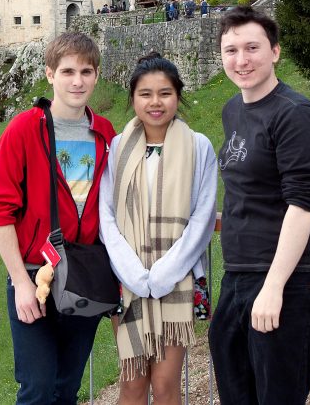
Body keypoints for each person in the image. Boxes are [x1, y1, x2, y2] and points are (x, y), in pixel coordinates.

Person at [209, 7, 310, 405]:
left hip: (290, 282)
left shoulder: (295, 115)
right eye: (231, 50)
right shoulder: (233, 110)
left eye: (252, 48)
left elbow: (303, 204)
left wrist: (274, 286)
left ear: (275, 52)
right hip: (239, 277)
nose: (241, 60)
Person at [0, 32, 117, 405]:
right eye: (68, 71)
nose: (77, 81)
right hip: (32, 277)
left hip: (83, 275)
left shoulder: (105, 133)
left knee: (67, 388)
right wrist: (20, 283)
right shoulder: (26, 129)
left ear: (96, 75)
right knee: (37, 389)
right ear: (49, 74)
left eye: (86, 71)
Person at [99, 53, 217, 405]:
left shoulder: (198, 147)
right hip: (127, 280)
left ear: (178, 96)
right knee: (133, 383)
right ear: (133, 98)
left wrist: (165, 271)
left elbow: (203, 217)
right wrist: (133, 272)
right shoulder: (118, 148)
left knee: (165, 384)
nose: (155, 102)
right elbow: (106, 216)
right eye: (145, 94)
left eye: (164, 93)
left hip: (177, 279)